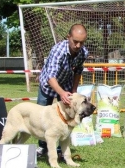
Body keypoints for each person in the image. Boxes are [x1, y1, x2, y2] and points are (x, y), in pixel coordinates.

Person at [36, 23, 89, 153]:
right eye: (75, 42)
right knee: (42, 116)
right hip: (48, 85)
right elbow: (51, 77)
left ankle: (61, 147)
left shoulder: (83, 52)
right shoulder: (57, 51)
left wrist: (74, 91)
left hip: (66, 84)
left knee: (66, 115)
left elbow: (78, 71)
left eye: (81, 43)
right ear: (68, 37)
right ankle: (43, 146)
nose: (78, 46)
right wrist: (61, 93)